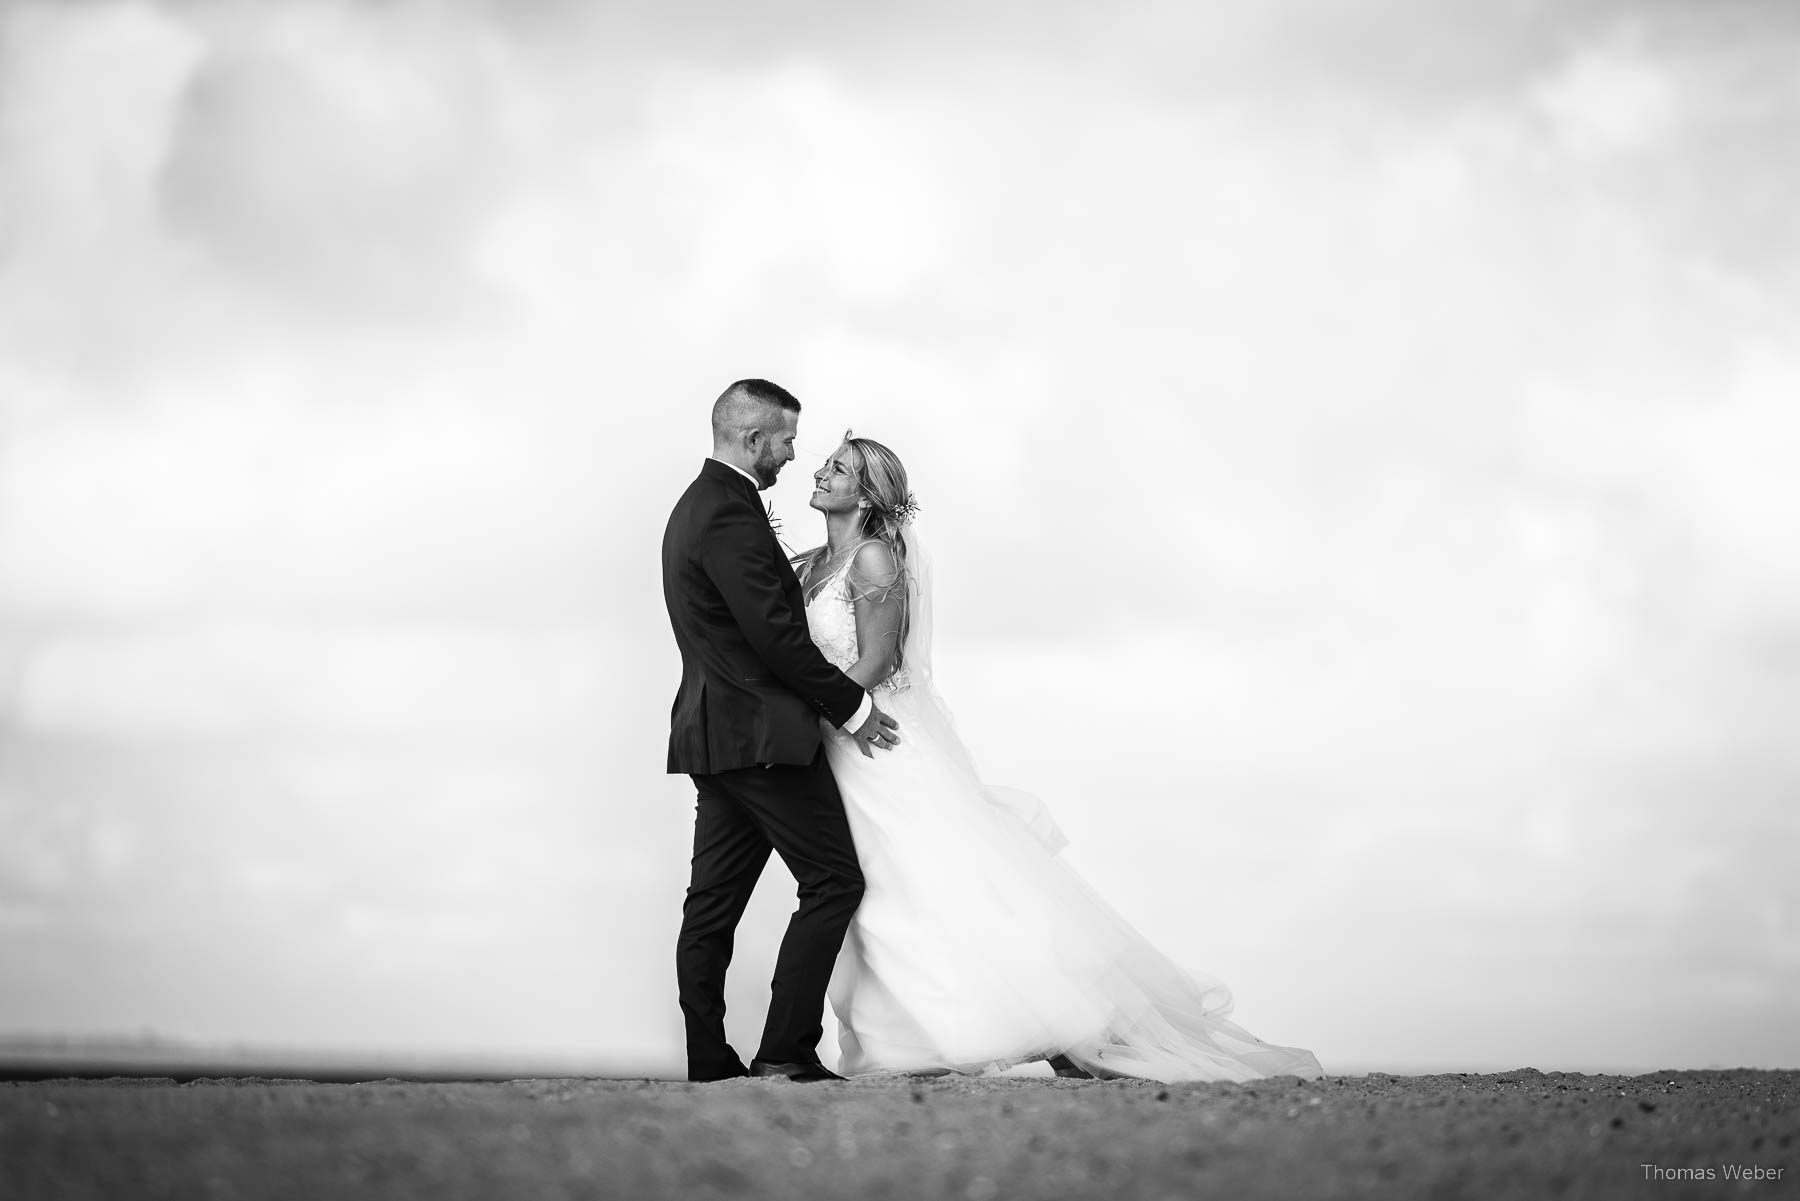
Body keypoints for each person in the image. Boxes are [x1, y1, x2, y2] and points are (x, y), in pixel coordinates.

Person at [798, 433, 1323, 1081]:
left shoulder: (874, 560)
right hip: (836, 746)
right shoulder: (810, 562)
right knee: (872, 892)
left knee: (924, 880)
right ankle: (906, 1035)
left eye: (840, 467)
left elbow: (877, 660)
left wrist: (812, 709)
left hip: (875, 741)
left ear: (869, 493)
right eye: (827, 462)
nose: (821, 471)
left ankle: (1025, 1019)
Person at [662, 380, 901, 1083]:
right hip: (765, 737)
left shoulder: (701, 506)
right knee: (832, 880)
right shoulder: (729, 516)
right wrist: (852, 709)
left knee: (711, 904)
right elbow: (774, 637)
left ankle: (709, 1056)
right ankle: (785, 1049)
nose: (795, 456)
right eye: (788, 441)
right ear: (753, 438)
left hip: (717, 734)